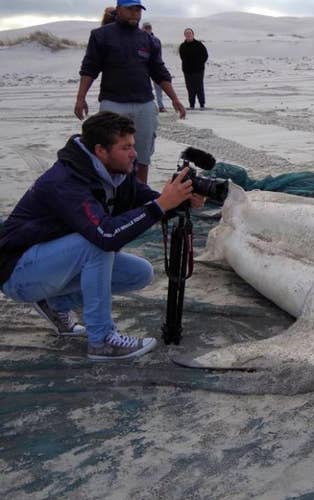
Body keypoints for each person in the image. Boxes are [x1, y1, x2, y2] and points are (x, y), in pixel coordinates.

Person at [0, 112, 203, 360]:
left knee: (139, 273)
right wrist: (160, 205)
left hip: (50, 265)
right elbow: (107, 235)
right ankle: (102, 340)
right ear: (100, 151)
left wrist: (179, 200)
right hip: (16, 272)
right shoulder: (65, 181)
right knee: (97, 244)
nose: (134, 153)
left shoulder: (117, 172)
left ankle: (53, 303)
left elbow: (146, 200)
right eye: (125, 147)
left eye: (133, 145)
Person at [75, 0, 187, 185]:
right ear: (118, 9)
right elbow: (89, 68)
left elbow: (159, 71)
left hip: (144, 104)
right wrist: (81, 98)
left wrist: (174, 98)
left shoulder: (148, 40)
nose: (135, 13)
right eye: (130, 9)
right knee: (111, 153)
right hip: (113, 104)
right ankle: (111, 194)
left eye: (138, 9)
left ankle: (139, 194)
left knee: (142, 155)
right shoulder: (101, 36)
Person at [179, 28, 209, 110]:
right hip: (187, 71)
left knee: (199, 87)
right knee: (190, 88)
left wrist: (199, 64)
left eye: (190, 33)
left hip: (198, 70)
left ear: (193, 34)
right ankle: (191, 105)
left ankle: (202, 104)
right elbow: (182, 57)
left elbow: (205, 55)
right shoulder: (182, 46)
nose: (188, 35)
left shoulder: (199, 44)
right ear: (185, 35)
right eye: (186, 33)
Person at [141, 22, 168, 112]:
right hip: (142, 67)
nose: (147, 30)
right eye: (145, 28)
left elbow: (159, 54)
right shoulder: (138, 39)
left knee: (158, 87)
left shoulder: (156, 40)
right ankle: (147, 105)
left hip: (154, 66)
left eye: (148, 28)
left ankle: (160, 106)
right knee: (145, 87)